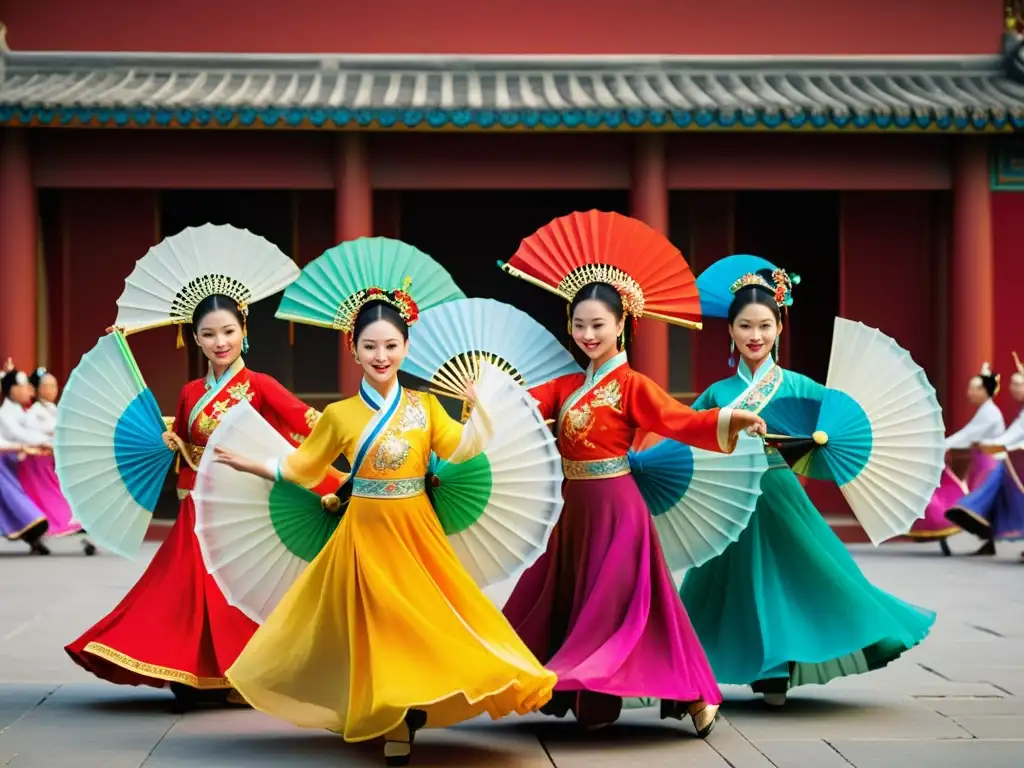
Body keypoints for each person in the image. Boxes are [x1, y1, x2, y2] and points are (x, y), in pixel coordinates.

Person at [214, 285, 557, 767]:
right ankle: (393, 718)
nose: (381, 355)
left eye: (391, 345)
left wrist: (479, 406)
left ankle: (415, 701)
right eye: (370, 346)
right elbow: (304, 468)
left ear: (406, 348)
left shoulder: (427, 406)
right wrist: (254, 465)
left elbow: (462, 449)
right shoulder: (339, 415)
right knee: (376, 623)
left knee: (427, 618)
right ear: (353, 348)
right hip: (365, 531)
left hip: (416, 528)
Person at [499, 278, 766, 736]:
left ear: (622, 325)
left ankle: (696, 694)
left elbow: (677, 420)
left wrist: (729, 419)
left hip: (618, 511)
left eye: (598, 324)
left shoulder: (631, 385)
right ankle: (594, 701)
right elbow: (517, 409)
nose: (588, 334)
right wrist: (487, 398)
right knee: (575, 602)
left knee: (623, 607)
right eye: (579, 324)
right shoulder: (565, 386)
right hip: (573, 513)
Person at [678, 265, 935, 706]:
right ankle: (696, 668)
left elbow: (845, 427)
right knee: (722, 591)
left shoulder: (799, 387)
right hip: (731, 502)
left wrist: (824, 441)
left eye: (764, 325)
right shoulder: (719, 392)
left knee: (797, 580)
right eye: (745, 326)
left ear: (779, 327)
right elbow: (687, 434)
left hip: (780, 495)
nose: (754, 335)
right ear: (731, 331)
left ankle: (776, 672)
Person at [65, 294, 326, 710]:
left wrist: (347, 438)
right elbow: (189, 440)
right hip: (197, 503)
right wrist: (171, 437)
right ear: (196, 339)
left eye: (228, 331)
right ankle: (183, 667)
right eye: (208, 334)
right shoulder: (190, 392)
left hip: (243, 508)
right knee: (181, 588)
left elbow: (312, 427)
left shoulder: (261, 386)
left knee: (234, 594)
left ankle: (240, 674)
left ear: (243, 331)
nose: (220, 342)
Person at [0, 366, 96, 554]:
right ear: (13, 389)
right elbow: (21, 435)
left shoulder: (25, 411)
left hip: (29, 464)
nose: (29, 390)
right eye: (25, 386)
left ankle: (39, 538)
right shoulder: (10, 413)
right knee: (48, 501)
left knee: (39, 504)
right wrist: (48, 442)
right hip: (17, 467)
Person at [912, 363, 1006, 555]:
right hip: (983, 461)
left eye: (974, 388)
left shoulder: (989, 413)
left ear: (984, 390)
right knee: (983, 504)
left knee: (981, 503)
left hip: (989, 463)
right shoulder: (985, 411)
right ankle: (989, 542)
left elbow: (967, 436)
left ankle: (989, 541)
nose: (969, 393)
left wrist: (940, 445)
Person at [946, 353, 1024, 557]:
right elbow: (1009, 437)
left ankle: (968, 509)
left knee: (997, 499)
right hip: (1003, 462)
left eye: (1019, 384)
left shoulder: (990, 413)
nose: (1014, 388)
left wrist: (987, 444)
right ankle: (984, 534)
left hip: (1001, 463)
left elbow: (1008, 439)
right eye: (1013, 384)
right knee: (1000, 502)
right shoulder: (989, 412)